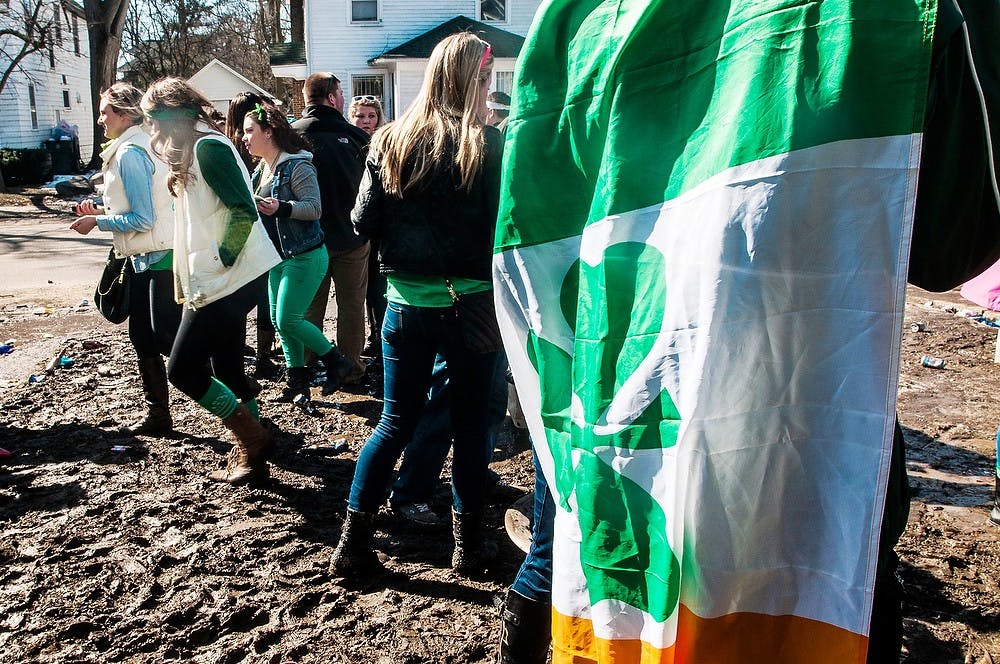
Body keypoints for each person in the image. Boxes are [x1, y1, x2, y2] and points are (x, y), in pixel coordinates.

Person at [331, 32, 504, 577]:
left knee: (393, 422)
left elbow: (362, 222)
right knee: (473, 428)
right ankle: (468, 547)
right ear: (477, 80)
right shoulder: (490, 145)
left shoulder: (388, 141)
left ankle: (352, 543)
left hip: (404, 307)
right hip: (472, 308)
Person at [140, 77, 281, 485]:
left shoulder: (209, 147)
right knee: (230, 368)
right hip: (221, 276)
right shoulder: (191, 146)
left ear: (170, 119)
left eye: (153, 121)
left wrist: (221, 258)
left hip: (228, 278)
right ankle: (255, 456)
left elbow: (243, 209)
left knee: (182, 368)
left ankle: (252, 437)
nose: (151, 131)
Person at [71, 82, 181, 436]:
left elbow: (144, 219)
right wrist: (102, 207)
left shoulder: (131, 153)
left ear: (123, 114)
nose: (101, 119)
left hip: (159, 256)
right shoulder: (139, 146)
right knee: (142, 336)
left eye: (105, 112)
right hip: (144, 256)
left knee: (168, 339)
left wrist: (96, 221)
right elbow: (138, 206)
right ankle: (158, 416)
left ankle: (235, 403)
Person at [244, 101, 352, 401]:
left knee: (290, 319)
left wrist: (282, 207)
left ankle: (336, 361)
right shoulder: (262, 170)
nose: (244, 137)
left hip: (305, 254)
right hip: (277, 257)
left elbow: (314, 208)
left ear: (269, 132)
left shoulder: (298, 164)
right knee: (280, 320)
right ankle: (296, 382)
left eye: (250, 131)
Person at [292, 73, 371, 385]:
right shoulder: (355, 136)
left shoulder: (291, 135)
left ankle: (308, 363)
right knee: (352, 306)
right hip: (351, 234)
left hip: (308, 237)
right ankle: (351, 367)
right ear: (333, 97)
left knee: (310, 304)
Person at [225, 91, 280, 380]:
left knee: (237, 295)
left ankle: (235, 350)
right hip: (259, 228)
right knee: (262, 296)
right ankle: (263, 354)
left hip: (233, 233)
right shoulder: (252, 145)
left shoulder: (226, 145)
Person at [347, 95, 388, 362]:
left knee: (378, 288)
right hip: (356, 222)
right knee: (361, 291)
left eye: (371, 116)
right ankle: (370, 337)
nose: (366, 121)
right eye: (360, 116)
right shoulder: (348, 143)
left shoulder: (384, 142)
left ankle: (380, 338)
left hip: (379, 226)